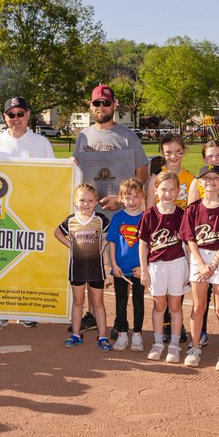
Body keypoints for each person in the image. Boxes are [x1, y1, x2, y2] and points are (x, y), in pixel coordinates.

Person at [0, 96, 54, 330]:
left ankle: (26, 309)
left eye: (20, 114)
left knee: (27, 260)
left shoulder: (41, 143)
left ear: (28, 115)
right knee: (1, 260)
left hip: (31, 211)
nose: (16, 119)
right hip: (1, 210)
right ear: (5, 117)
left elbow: (53, 177)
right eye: (11, 115)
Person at [182, 164, 219, 370]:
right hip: (199, 258)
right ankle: (195, 347)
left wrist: (212, 265)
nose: (211, 182)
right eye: (206, 178)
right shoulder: (193, 209)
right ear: (199, 182)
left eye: (216, 178)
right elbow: (190, 238)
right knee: (199, 307)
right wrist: (201, 263)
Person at [74, 84, 149, 217]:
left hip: (121, 213)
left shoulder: (129, 137)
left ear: (114, 105)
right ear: (91, 106)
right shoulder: (83, 136)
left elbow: (142, 175)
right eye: (97, 103)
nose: (101, 107)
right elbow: (75, 172)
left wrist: (120, 198)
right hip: (88, 215)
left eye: (106, 103)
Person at [138, 172, 189, 362]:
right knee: (159, 305)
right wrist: (144, 269)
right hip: (156, 265)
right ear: (156, 190)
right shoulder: (149, 214)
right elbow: (143, 244)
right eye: (163, 189)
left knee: (175, 305)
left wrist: (190, 268)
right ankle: (158, 343)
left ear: (177, 192)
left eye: (172, 190)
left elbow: (187, 244)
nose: (167, 193)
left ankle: (174, 345)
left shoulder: (181, 215)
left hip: (177, 263)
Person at [57, 184, 112, 351]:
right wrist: (70, 245)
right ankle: (75, 335)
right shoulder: (71, 220)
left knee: (98, 302)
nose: (86, 204)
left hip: (96, 268)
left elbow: (112, 233)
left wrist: (102, 245)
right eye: (82, 200)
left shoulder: (100, 219)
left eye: (90, 200)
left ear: (95, 202)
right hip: (77, 268)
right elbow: (57, 233)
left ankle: (102, 336)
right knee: (78, 301)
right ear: (75, 201)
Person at [107, 178, 146, 351]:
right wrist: (114, 265)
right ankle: (122, 334)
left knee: (139, 302)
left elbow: (150, 244)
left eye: (136, 197)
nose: (132, 201)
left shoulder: (146, 217)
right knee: (121, 302)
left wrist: (144, 268)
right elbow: (112, 242)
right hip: (121, 270)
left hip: (139, 270)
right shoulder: (118, 218)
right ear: (121, 198)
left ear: (142, 197)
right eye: (128, 197)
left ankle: (137, 334)